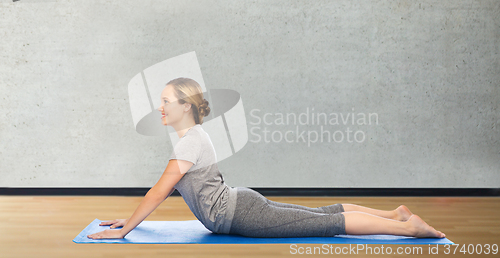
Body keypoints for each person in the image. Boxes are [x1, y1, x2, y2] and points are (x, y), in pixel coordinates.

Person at [87, 77, 446, 240]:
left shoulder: (187, 144)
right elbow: (171, 193)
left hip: (241, 212)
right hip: (241, 205)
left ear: (186, 107)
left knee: (325, 225)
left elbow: (157, 192)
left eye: (166, 101)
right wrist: (132, 220)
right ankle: (393, 213)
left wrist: (127, 229)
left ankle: (406, 227)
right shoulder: (193, 138)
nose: (160, 107)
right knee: (319, 216)